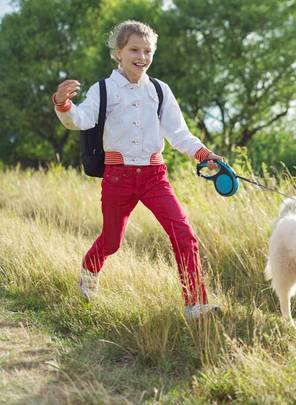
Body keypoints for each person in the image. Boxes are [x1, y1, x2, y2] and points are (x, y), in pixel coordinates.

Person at [52, 20, 221, 320]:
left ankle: (196, 304)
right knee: (113, 240)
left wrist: (204, 154)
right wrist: (63, 103)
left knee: (184, 234)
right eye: (134, 50)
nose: (141, 57)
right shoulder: (102, 89)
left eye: (147, 51)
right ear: (118, 52)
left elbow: (179, 133)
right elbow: (80, 120)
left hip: (156, 177)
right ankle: (89, 271)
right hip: (118, 177)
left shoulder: (159, 90)